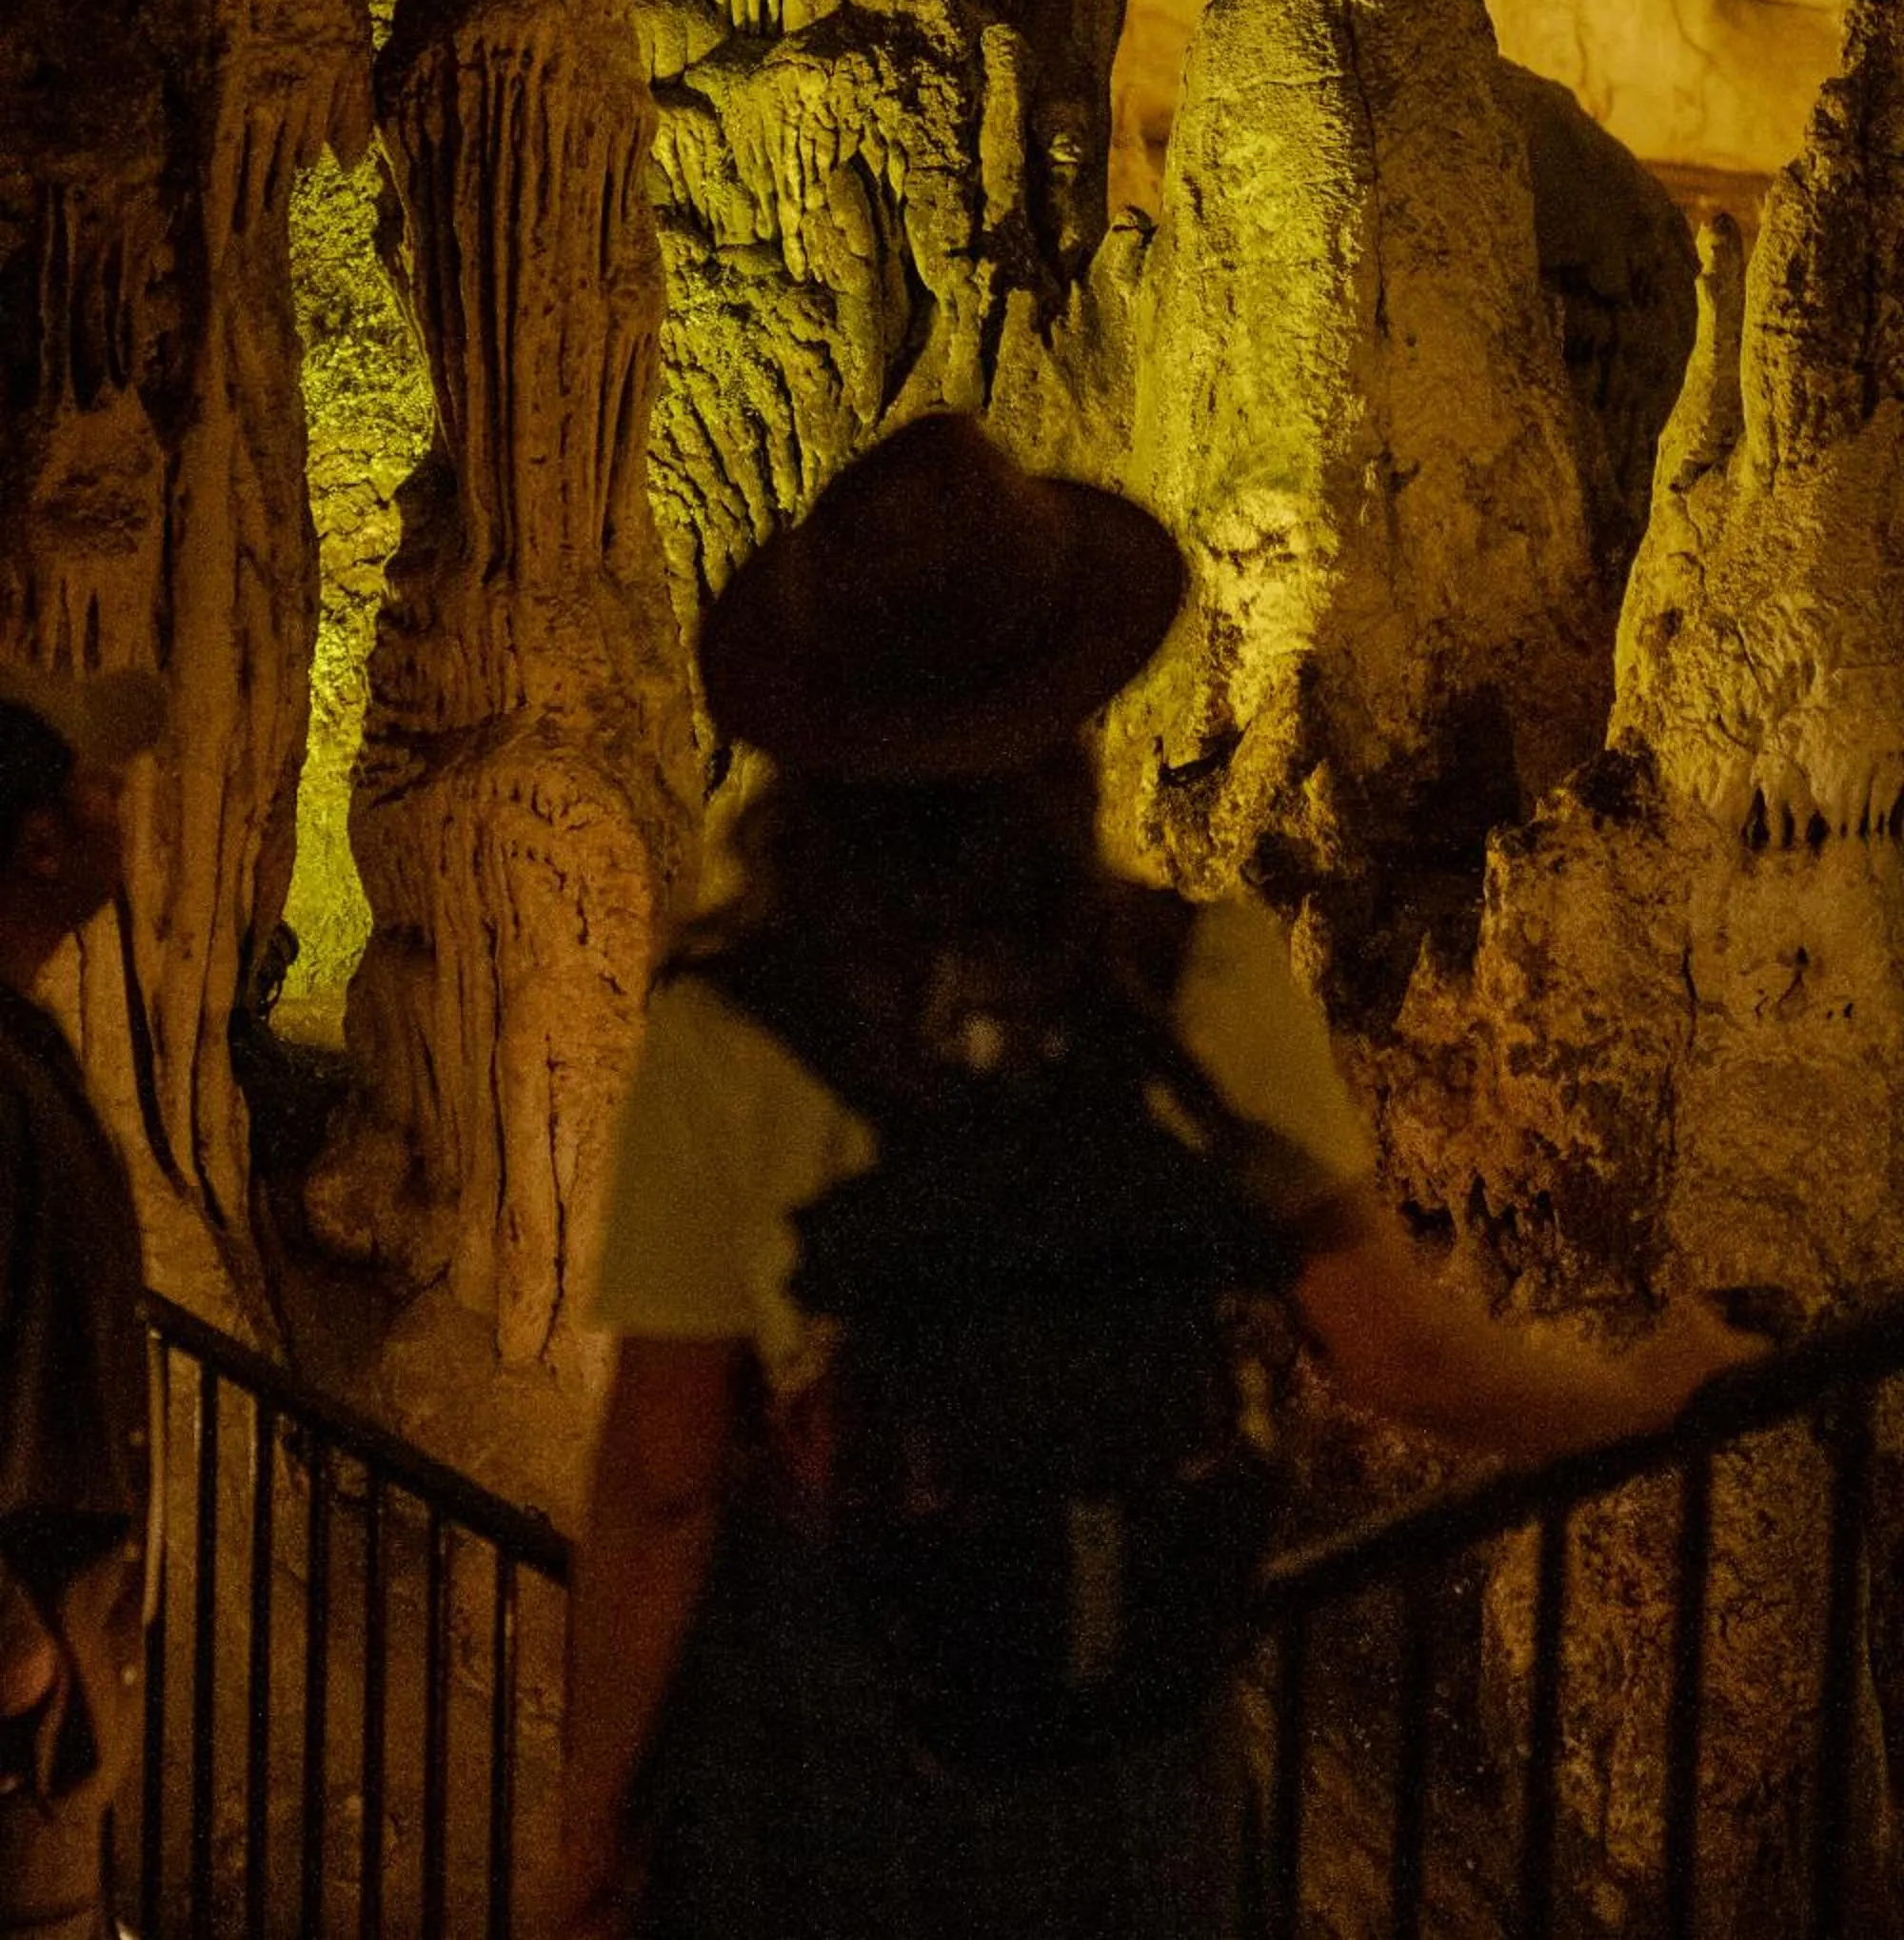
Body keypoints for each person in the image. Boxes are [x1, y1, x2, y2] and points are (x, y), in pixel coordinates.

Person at [556, 415, 1749, 1940]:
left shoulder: (730, 1027)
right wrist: (1648, 1396)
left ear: (815, 743)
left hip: (828, 1740)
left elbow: (659, 1481)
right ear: (1067, 716)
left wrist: (593, 1818)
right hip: (1122, 1723)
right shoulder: (1204, 985)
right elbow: (1398, 1351)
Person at [0, 663, 166, 1940]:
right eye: (105, 783)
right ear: (40, 843)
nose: (131, 804)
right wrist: (13, 1642)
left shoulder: (24, 1042)